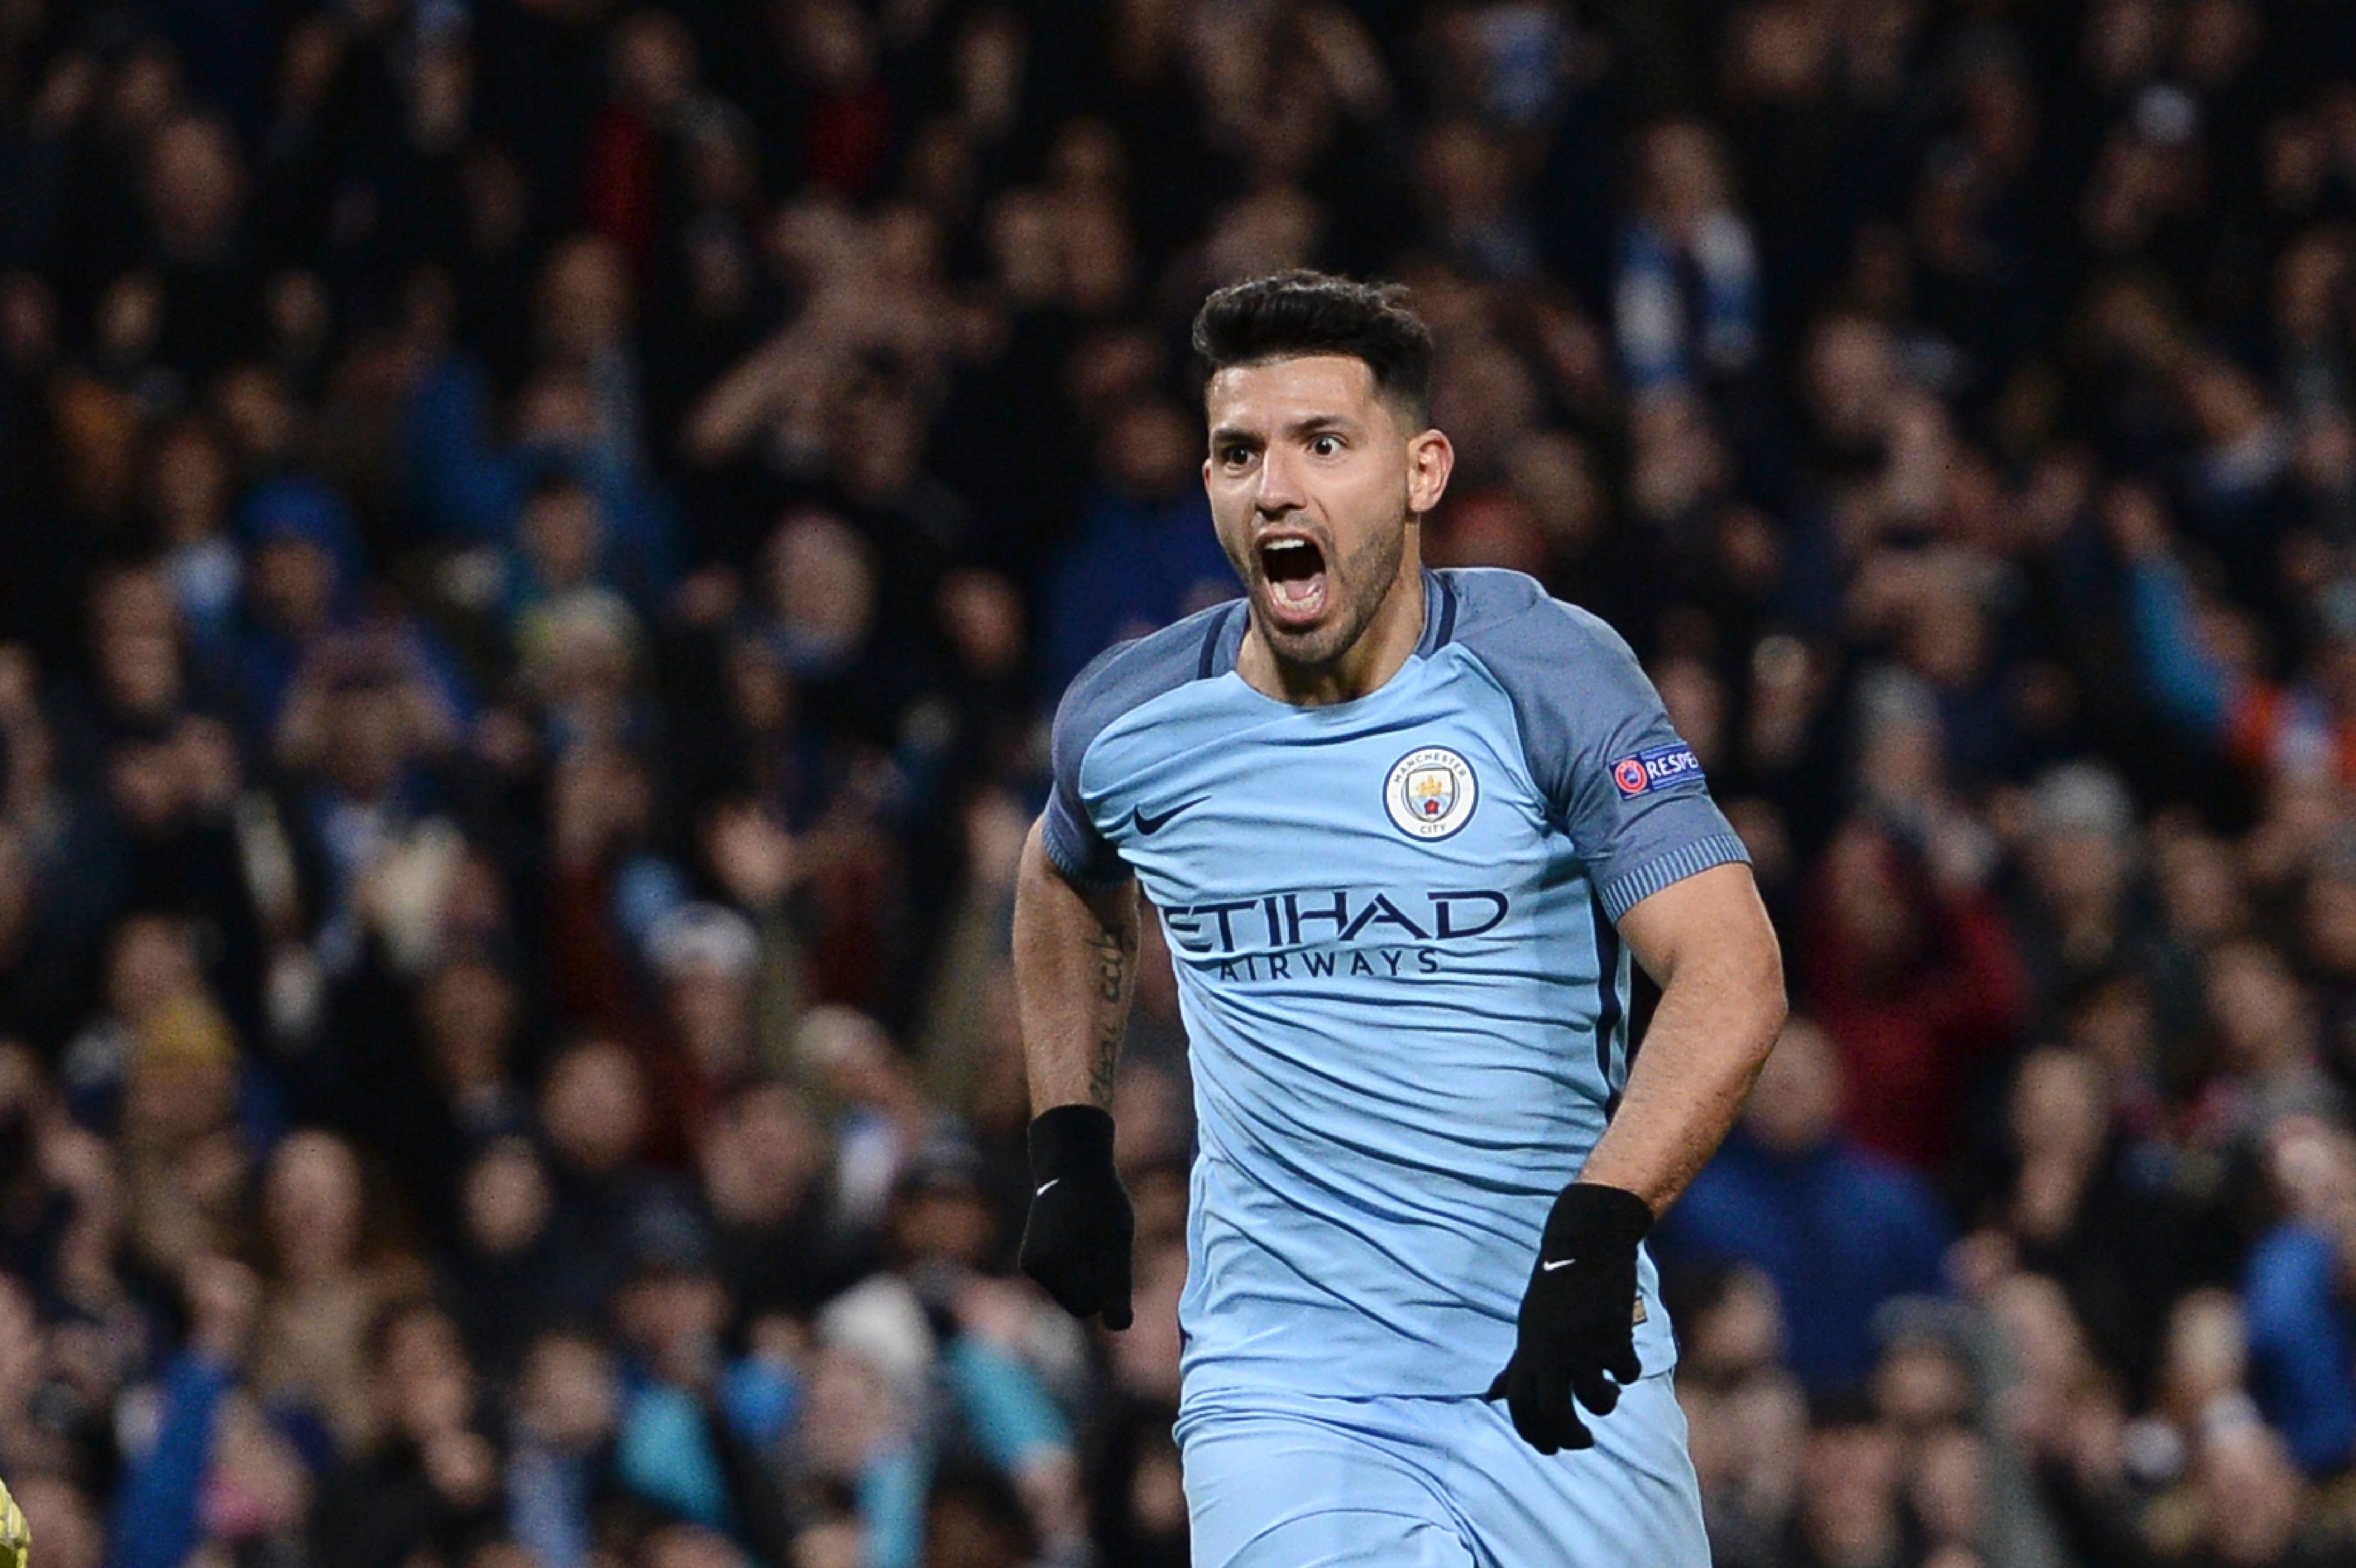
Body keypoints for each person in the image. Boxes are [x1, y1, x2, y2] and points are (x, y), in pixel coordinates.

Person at [1010, 271, 1786, 1566]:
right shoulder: (1133, 722)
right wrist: (1068, 1142)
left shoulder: (1548, 677)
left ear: (1421, 471)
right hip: (1286, 1391)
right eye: (1238, 452)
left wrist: (1602, 1227)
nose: (1275, 489)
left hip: (1559, 1350)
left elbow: (1731, 971)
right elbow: (1061, 876)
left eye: (1324, 445)